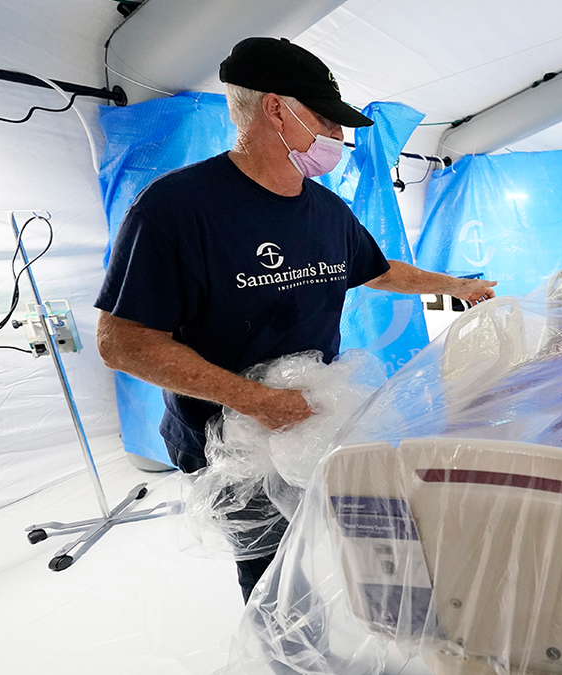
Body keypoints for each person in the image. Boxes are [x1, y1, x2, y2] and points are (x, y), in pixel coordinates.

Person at [93, 36, 496, 602]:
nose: (338, 137)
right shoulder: (178, 209)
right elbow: (124, 341)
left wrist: (457, 287)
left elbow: (376, 271)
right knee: (277, 584)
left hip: (313, 420)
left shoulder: (326, 208)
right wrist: (256, 401)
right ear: (276, 109)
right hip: (229, 440)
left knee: (335, 555)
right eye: (327, 121)